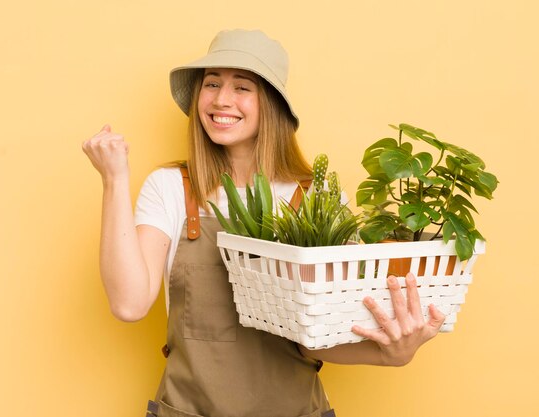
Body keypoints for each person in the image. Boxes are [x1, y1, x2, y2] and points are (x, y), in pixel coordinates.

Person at [82, 29, 445, 417]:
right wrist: (114, 179)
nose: (222, 99)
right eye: (212, 84)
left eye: (243, 87)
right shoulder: (172, 188)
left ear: (270, 103)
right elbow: (129, 303)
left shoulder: (316, 200)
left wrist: (392, 354)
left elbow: (314, 341)